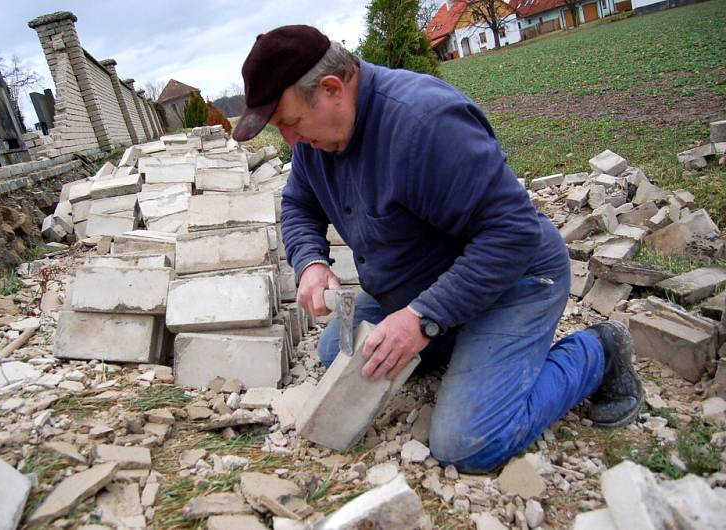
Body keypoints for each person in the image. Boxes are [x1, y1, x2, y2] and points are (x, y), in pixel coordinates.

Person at [233, 25, 643, 473]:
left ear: (331, 88)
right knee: (338, 352)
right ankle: (459, 342)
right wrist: (310, 261)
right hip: (423, 284)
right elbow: (298, 203)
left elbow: (512, 234)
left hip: (514, 279)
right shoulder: (317, 140)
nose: (291, 142)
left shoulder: (425, 124)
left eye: (290, 123)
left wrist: (422, 318)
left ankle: (598, 352)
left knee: (466, 445)